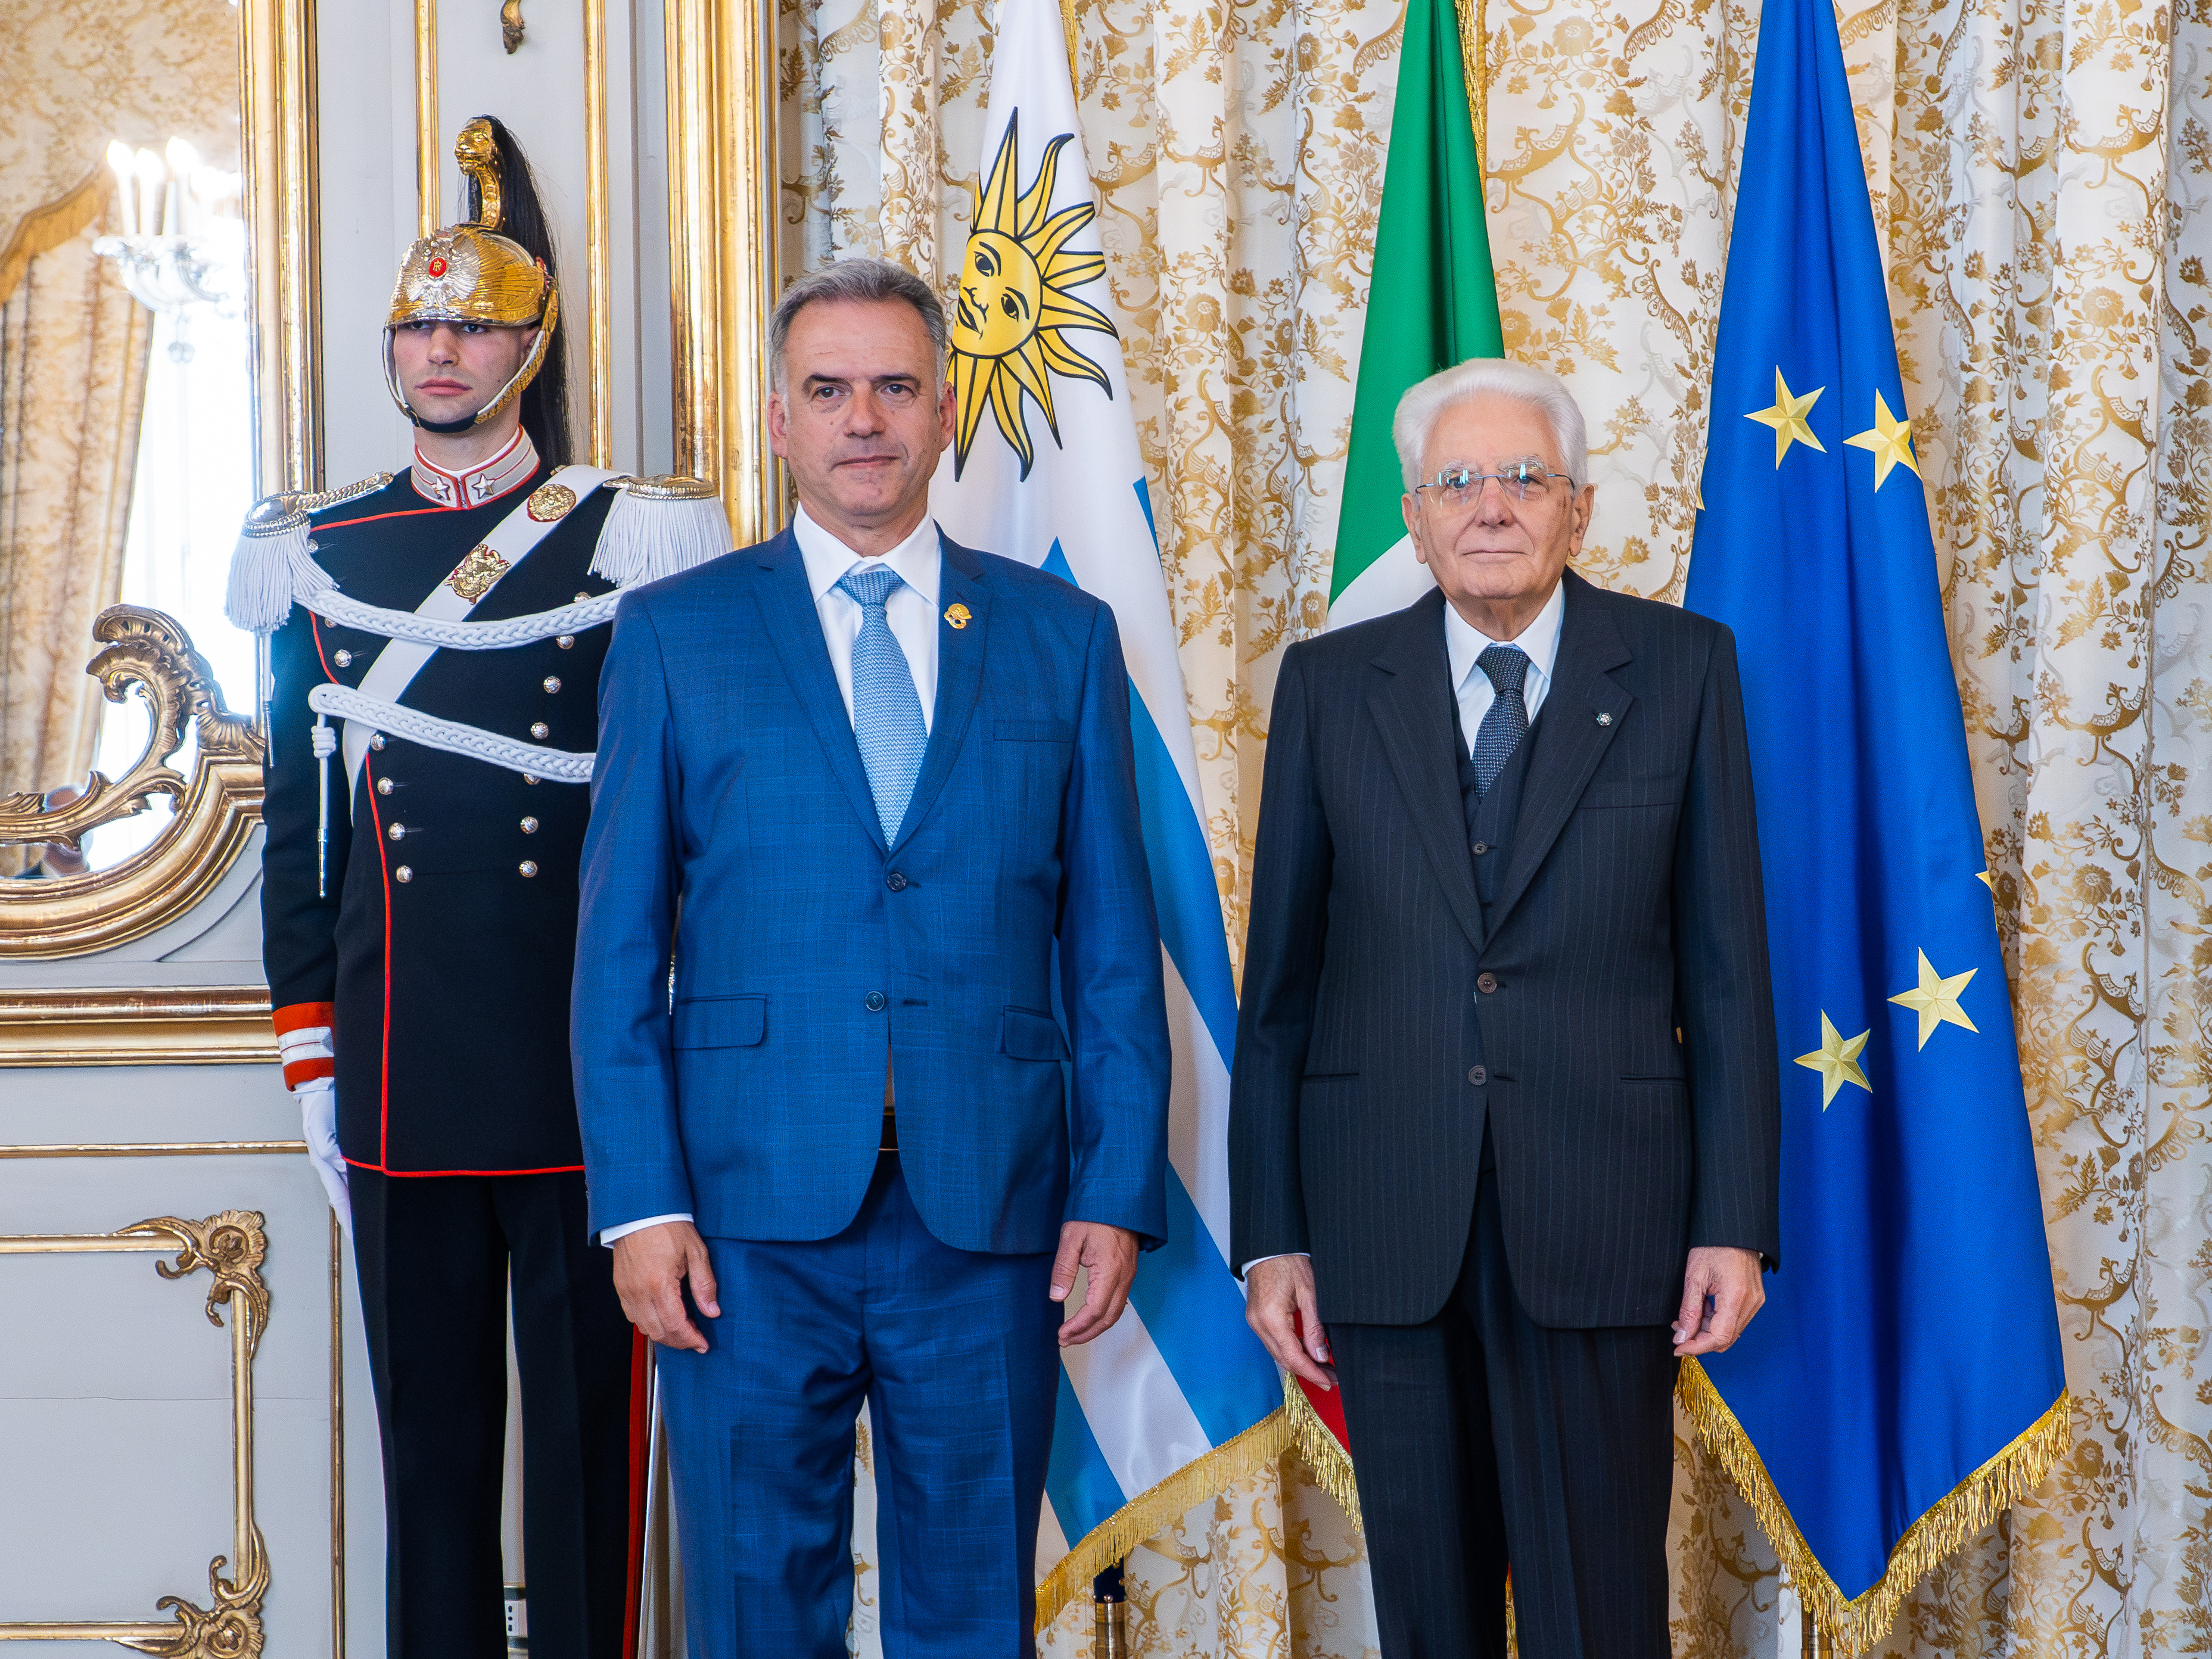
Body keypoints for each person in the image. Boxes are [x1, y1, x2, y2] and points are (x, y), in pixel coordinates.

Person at [570, 256, 1170, 1657]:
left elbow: (1111, 949)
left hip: (991, 1214)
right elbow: (615, 953)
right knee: (752, 1607)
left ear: (944, 410)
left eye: (894, 387)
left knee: (971, 1611)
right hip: (739, 1223)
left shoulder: (1061, 639)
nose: (863, 420)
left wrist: (1117, 1187)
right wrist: (640, 1203)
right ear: (777, 420)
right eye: (828, 390)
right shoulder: (674, 635)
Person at [237, 117, 725, 1659]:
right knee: (430, 1469)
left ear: (533, 342)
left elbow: (682, 816)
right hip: (396, 1072)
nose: (442, 349)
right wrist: (311, 1047)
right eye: (419, 323)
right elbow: (295, 828)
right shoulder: (313, 548)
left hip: (587, 1073)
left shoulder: (627, 532)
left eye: (476, 324)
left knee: (594, 1459)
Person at [1230, 358, 1781, 1659]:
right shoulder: (1326, 686)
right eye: (1458, 481)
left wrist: (1735, 1224)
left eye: (1524, 477)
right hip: (1383, 1229)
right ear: (1414, 515)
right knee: (1432, 1616)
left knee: (1601, 1617)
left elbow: (1728, 966)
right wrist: (1272, 1240)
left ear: (1578, 508)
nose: (1492, 505)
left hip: (1605, 1222)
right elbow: (1280, 994)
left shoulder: (1685, 669)